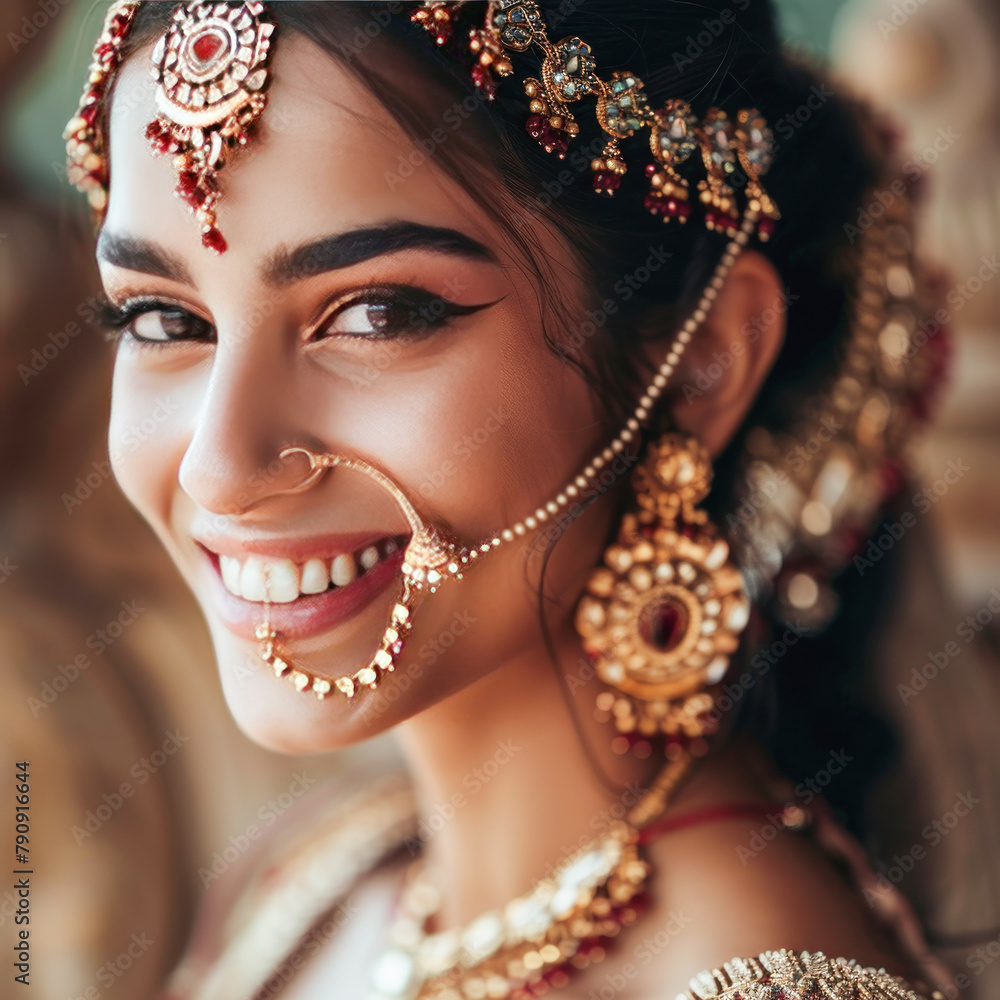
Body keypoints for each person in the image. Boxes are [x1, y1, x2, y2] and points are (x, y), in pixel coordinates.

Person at [63, 2, 964, 998]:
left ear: (694, 365)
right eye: (160, 316)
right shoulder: (327, 877)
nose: (220, 467)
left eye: (376, 313)